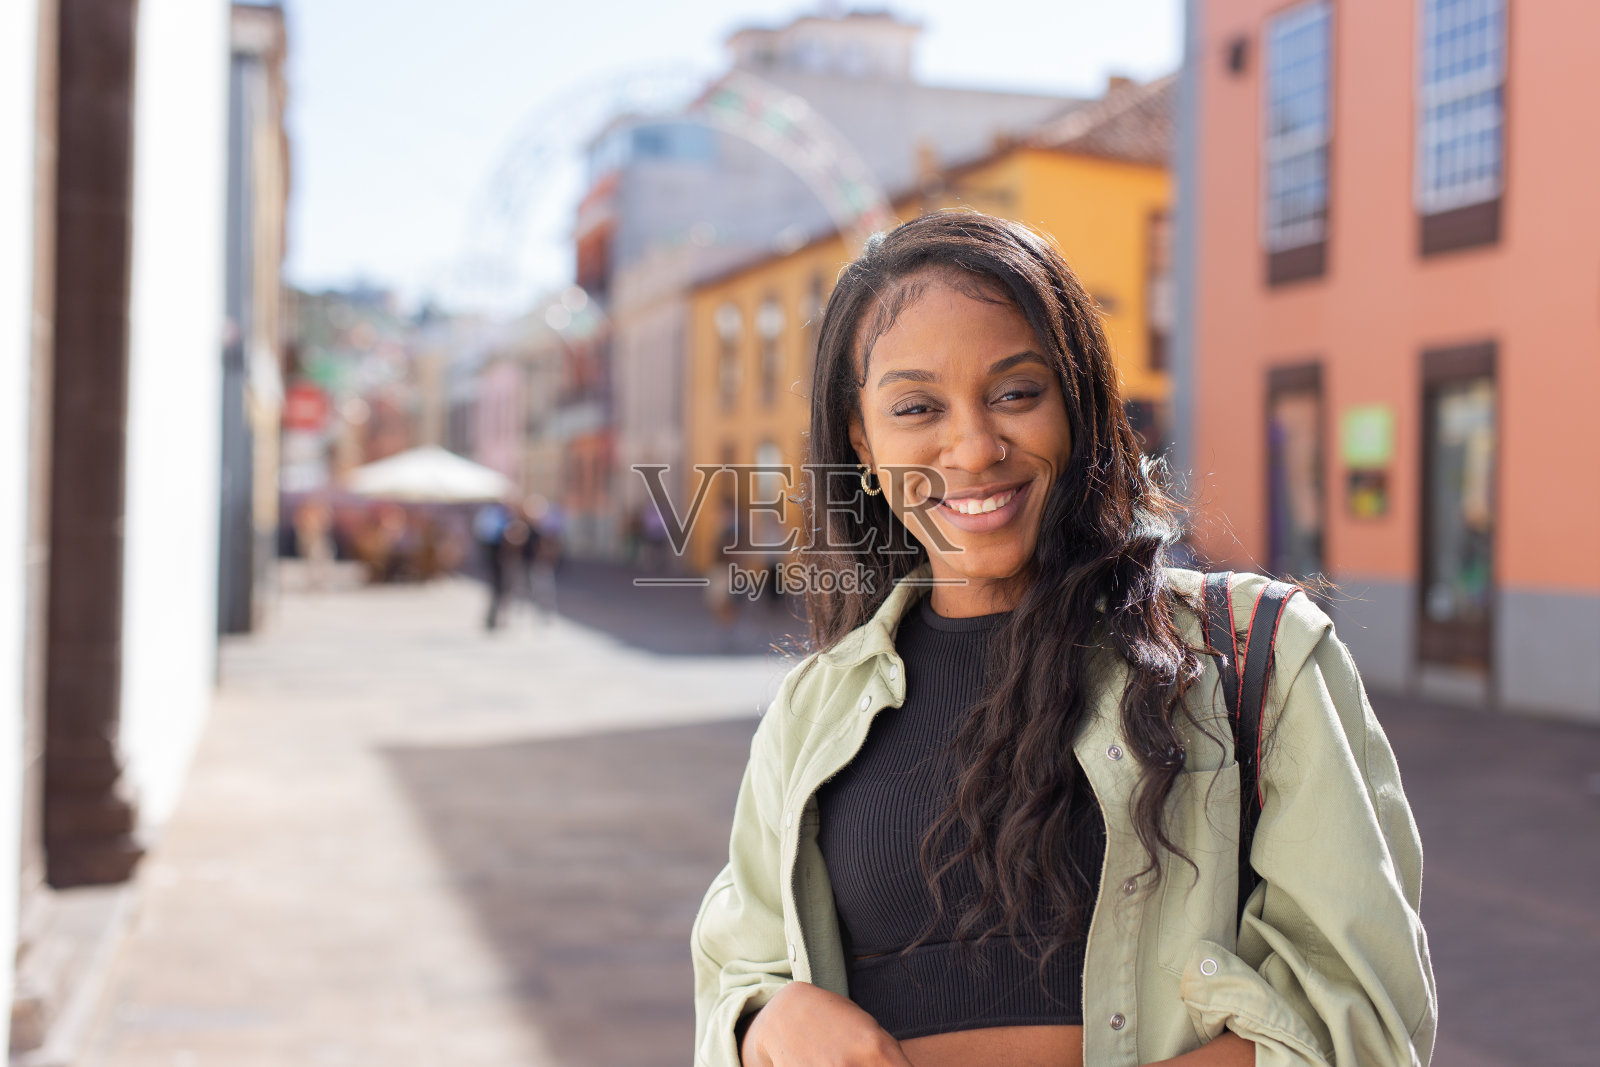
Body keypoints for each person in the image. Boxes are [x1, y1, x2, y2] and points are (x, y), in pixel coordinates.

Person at [691, 213, 1436, 1067]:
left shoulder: (1256, 658)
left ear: (1076, 403)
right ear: (863, 441)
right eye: (916, 407)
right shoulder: (812, 711)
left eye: (1016, 393)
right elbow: (736, 970)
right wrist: (766, 1020)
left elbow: (1363, 1016)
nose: (974, 447)